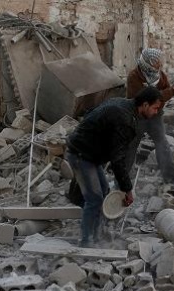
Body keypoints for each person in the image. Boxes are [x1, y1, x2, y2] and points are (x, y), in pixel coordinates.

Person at [66, 87, 163, 247]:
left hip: (90, 153)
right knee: (95, 199)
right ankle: (86, 242)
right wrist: (128, 190)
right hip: (81, 154)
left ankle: (96, 233)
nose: (155, 112)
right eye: (155, 108)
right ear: (145, 105)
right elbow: (117, 159)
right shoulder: (125, 120)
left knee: (103, 191)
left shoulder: (125, 105)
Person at [126, 48, 174, 184]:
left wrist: (161, 102)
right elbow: (143, 100)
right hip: (138, 117)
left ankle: (170, 180)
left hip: (155, 116)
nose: (159, 66)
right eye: (156, 63)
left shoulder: (160, 76)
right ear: (147, 63)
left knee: (162, 145)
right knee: (131, 145)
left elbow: (163, 95)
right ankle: (124, 180)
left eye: (159, 63)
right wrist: (171, 91)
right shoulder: (134, 77)